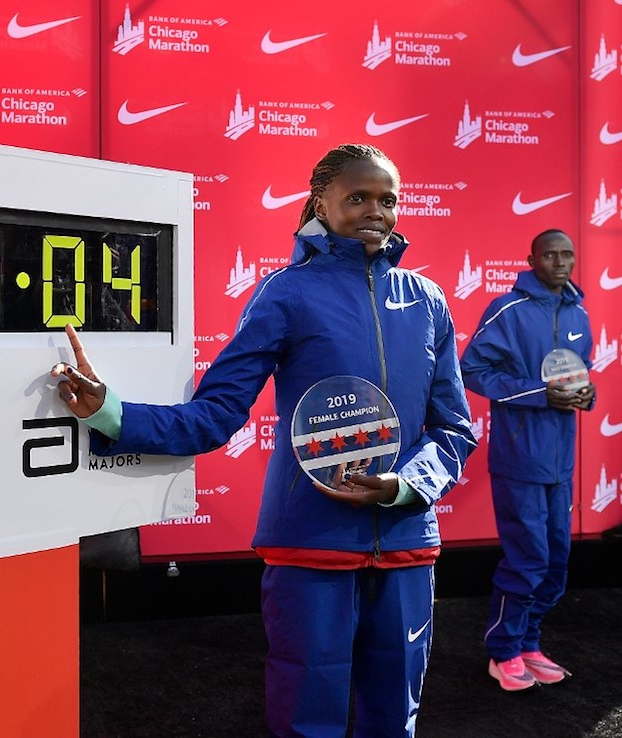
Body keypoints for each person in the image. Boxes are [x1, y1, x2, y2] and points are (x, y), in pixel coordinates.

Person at [51, 143, 476, 737]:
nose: (375, 211)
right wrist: (113, 414)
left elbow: (454, 428)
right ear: (320, 203)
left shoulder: (427, 301)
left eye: (388, 199)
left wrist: (408, 485)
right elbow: (216, 413)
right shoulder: (286, 293)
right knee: (307, 717)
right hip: (310, 539)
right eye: (357, 197)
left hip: (407, 542)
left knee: (395, 718)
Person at [460, 229, 595, 692]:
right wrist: (542, 396)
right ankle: (503, 652)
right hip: (519, 459)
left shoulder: (578, 312)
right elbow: (473, 370)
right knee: (528, 560)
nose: (560, 262)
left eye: (567, 255)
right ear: (532, 260)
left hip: (561, 464)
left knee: (556, 562)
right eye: (550, 255)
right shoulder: (508, 309)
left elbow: (578, 375)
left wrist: (585, 393)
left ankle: (529, 644)